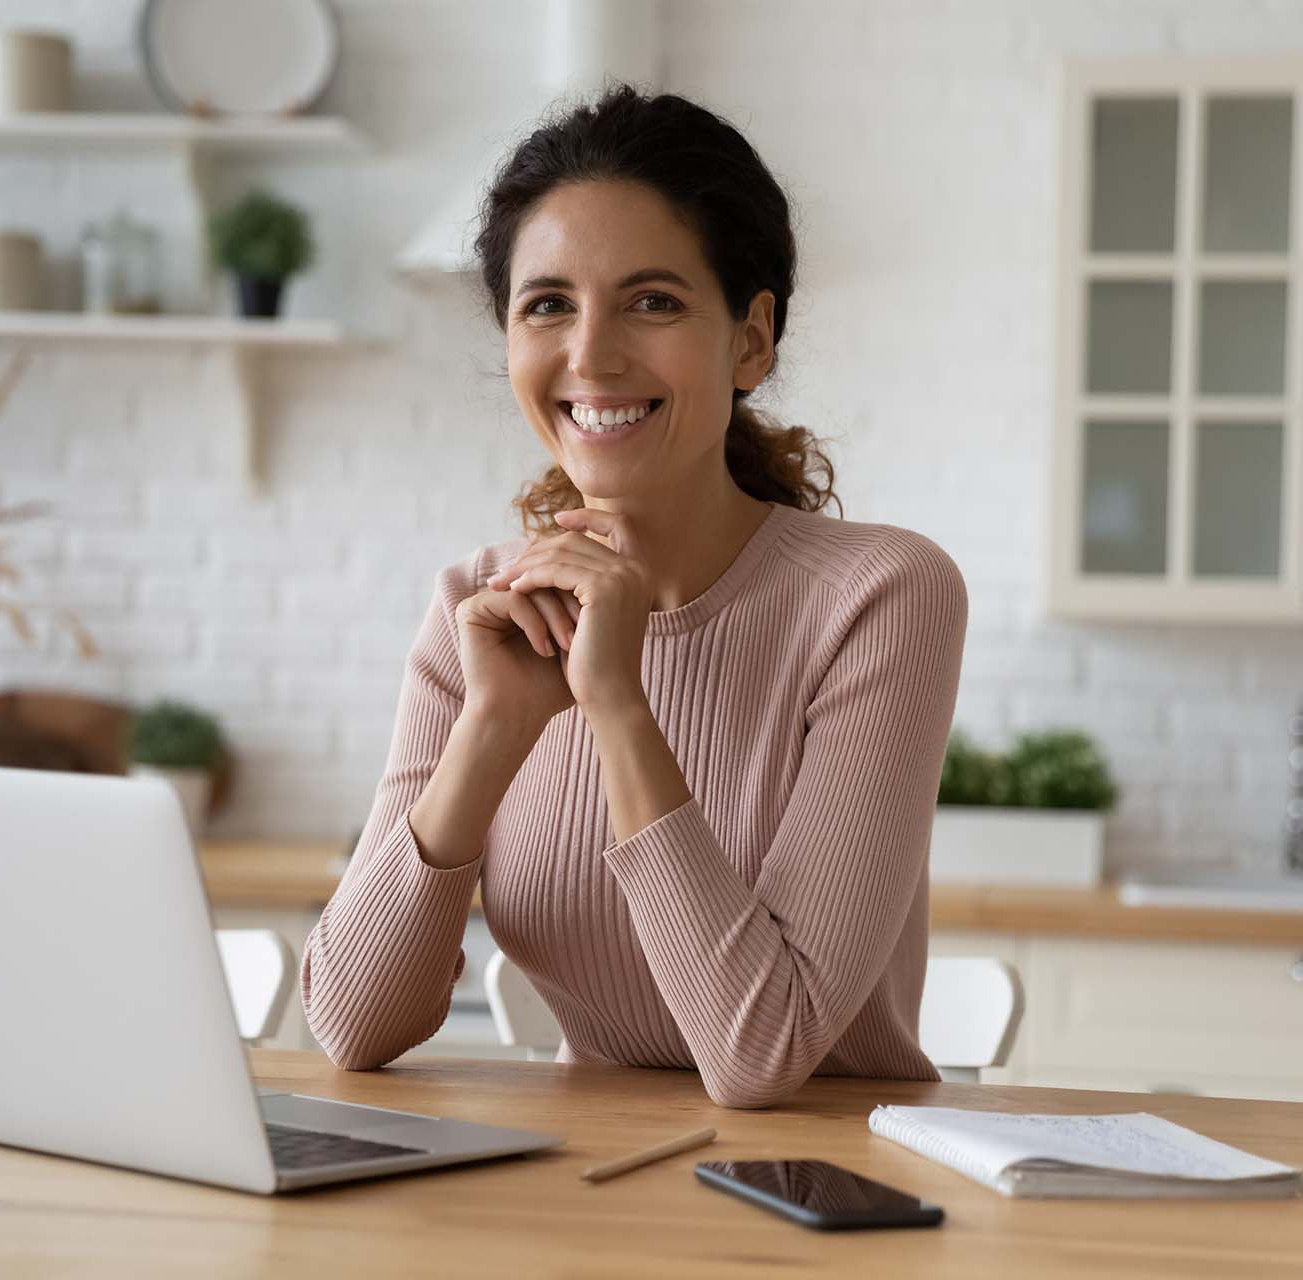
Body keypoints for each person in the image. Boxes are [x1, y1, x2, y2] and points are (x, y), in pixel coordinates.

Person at [301, 84, 967, 1108]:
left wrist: (617, 703)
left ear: (751, 339)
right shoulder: (479, 609)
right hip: (584, 1197)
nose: (592, 355)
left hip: (824, 1201)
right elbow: (351, 1023)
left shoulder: (879, 598)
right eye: (548, 304)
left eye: (653, 300)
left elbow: (761, 1052)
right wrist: (492, 725)